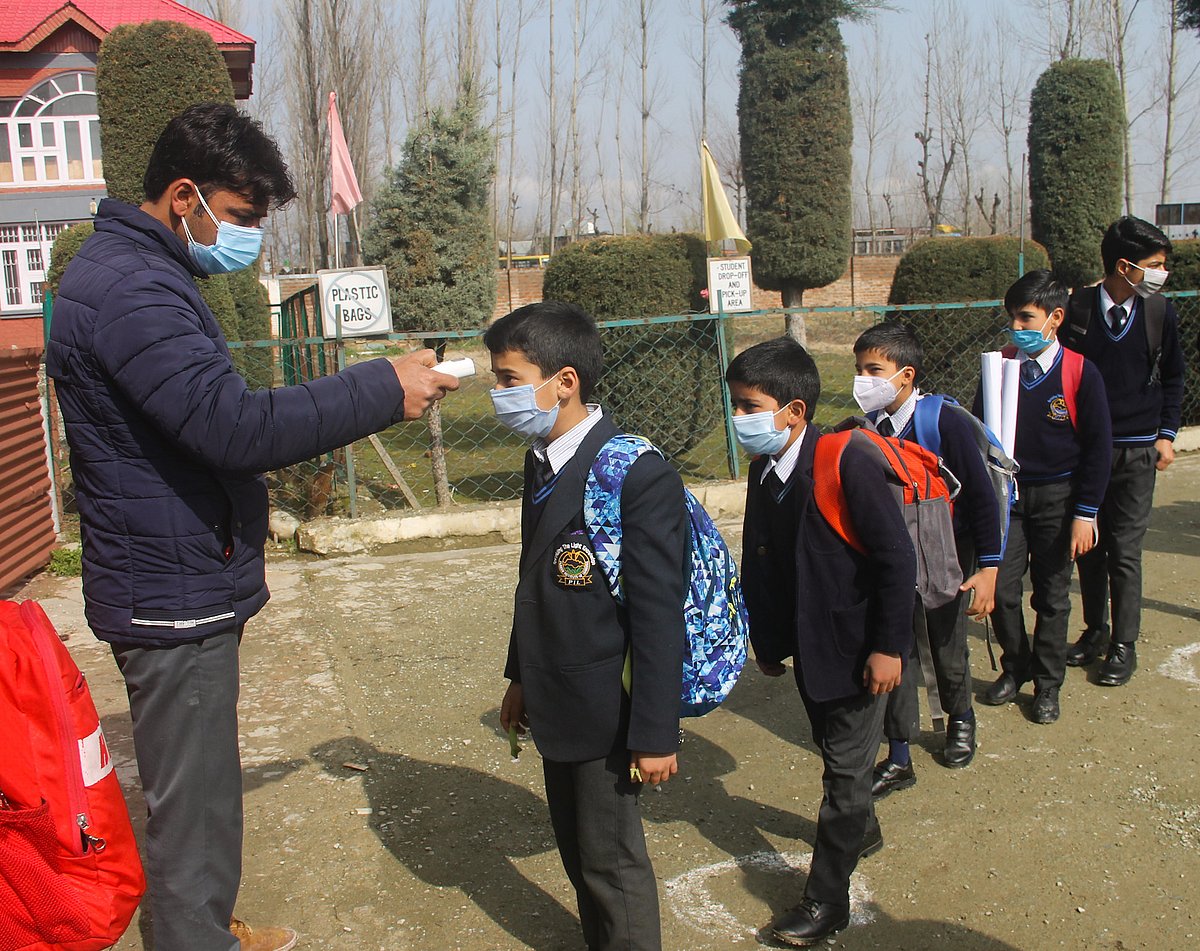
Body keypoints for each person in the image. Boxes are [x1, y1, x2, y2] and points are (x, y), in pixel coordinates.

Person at [45, 103, 459, 951]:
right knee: (190, 799)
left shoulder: (144, 272)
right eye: (236, 219)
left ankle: (206, 922)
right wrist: (379, 387)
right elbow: (231, 425)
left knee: (204, 785)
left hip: (180, 572)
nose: (244, 241)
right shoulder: (131, 288)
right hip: (170, 590)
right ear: (184, 193)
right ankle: (196, 940)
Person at [488, 301, 688, 951]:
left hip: (611, 708)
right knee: (577, 851)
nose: (499, 394)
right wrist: (520, 674)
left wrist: (655, 731)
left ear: (564, 382)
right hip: (556, 696)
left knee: (612, 864)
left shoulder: (633, 470)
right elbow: (533, 582)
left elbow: (658, 616)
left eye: (510, 379)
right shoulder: (541, 460)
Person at [728, 338, 915, 947]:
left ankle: (826, 900)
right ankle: (863, 827)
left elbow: (895, 560)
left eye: (751, 406)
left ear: (794, 411)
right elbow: (763, 560)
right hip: (809, 651)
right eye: (735, 405)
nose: (740, 419)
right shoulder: (765, 470)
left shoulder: (846, 461)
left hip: (858, 651)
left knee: (842, 773)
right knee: (836, 753)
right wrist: (767, 640)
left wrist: (889, 648)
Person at [851, 323, 1002, 795]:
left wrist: (989, 567)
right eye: (858, 370)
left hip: (945, 560)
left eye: (874, 370)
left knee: (947, 645)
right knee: (893, 648)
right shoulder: (862, 431)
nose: (862, 380)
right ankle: (899, 754)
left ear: (906, 374)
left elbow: (981, 498)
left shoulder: (944, 423)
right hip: (887, 567)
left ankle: (960, 719)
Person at [977, 271, 1112, 724]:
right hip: (1009, 500)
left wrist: (1085, 513)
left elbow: (1098, 450)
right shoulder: (999, 368)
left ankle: (1048, 684)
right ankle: (1016, 667)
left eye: (1025, 318)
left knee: (1052, 596)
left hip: (1059, 498)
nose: (1016, 328)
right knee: (1005, 590)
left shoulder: (1079, 372)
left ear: (1055, 318)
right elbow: (979, 434)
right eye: (1011, 318)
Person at [1061, 217, 1186, 686]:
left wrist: (1167, 434)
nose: (1161, 273)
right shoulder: (1078, 309)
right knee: (1088, 548)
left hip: (1137, 453)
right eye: (1154, 265)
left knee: (1126, 551)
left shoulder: (1159, 313)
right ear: (1123, 265)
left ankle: (1123, 644)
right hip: (1086, 452)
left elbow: (1174, 376)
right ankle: (1095, 631)